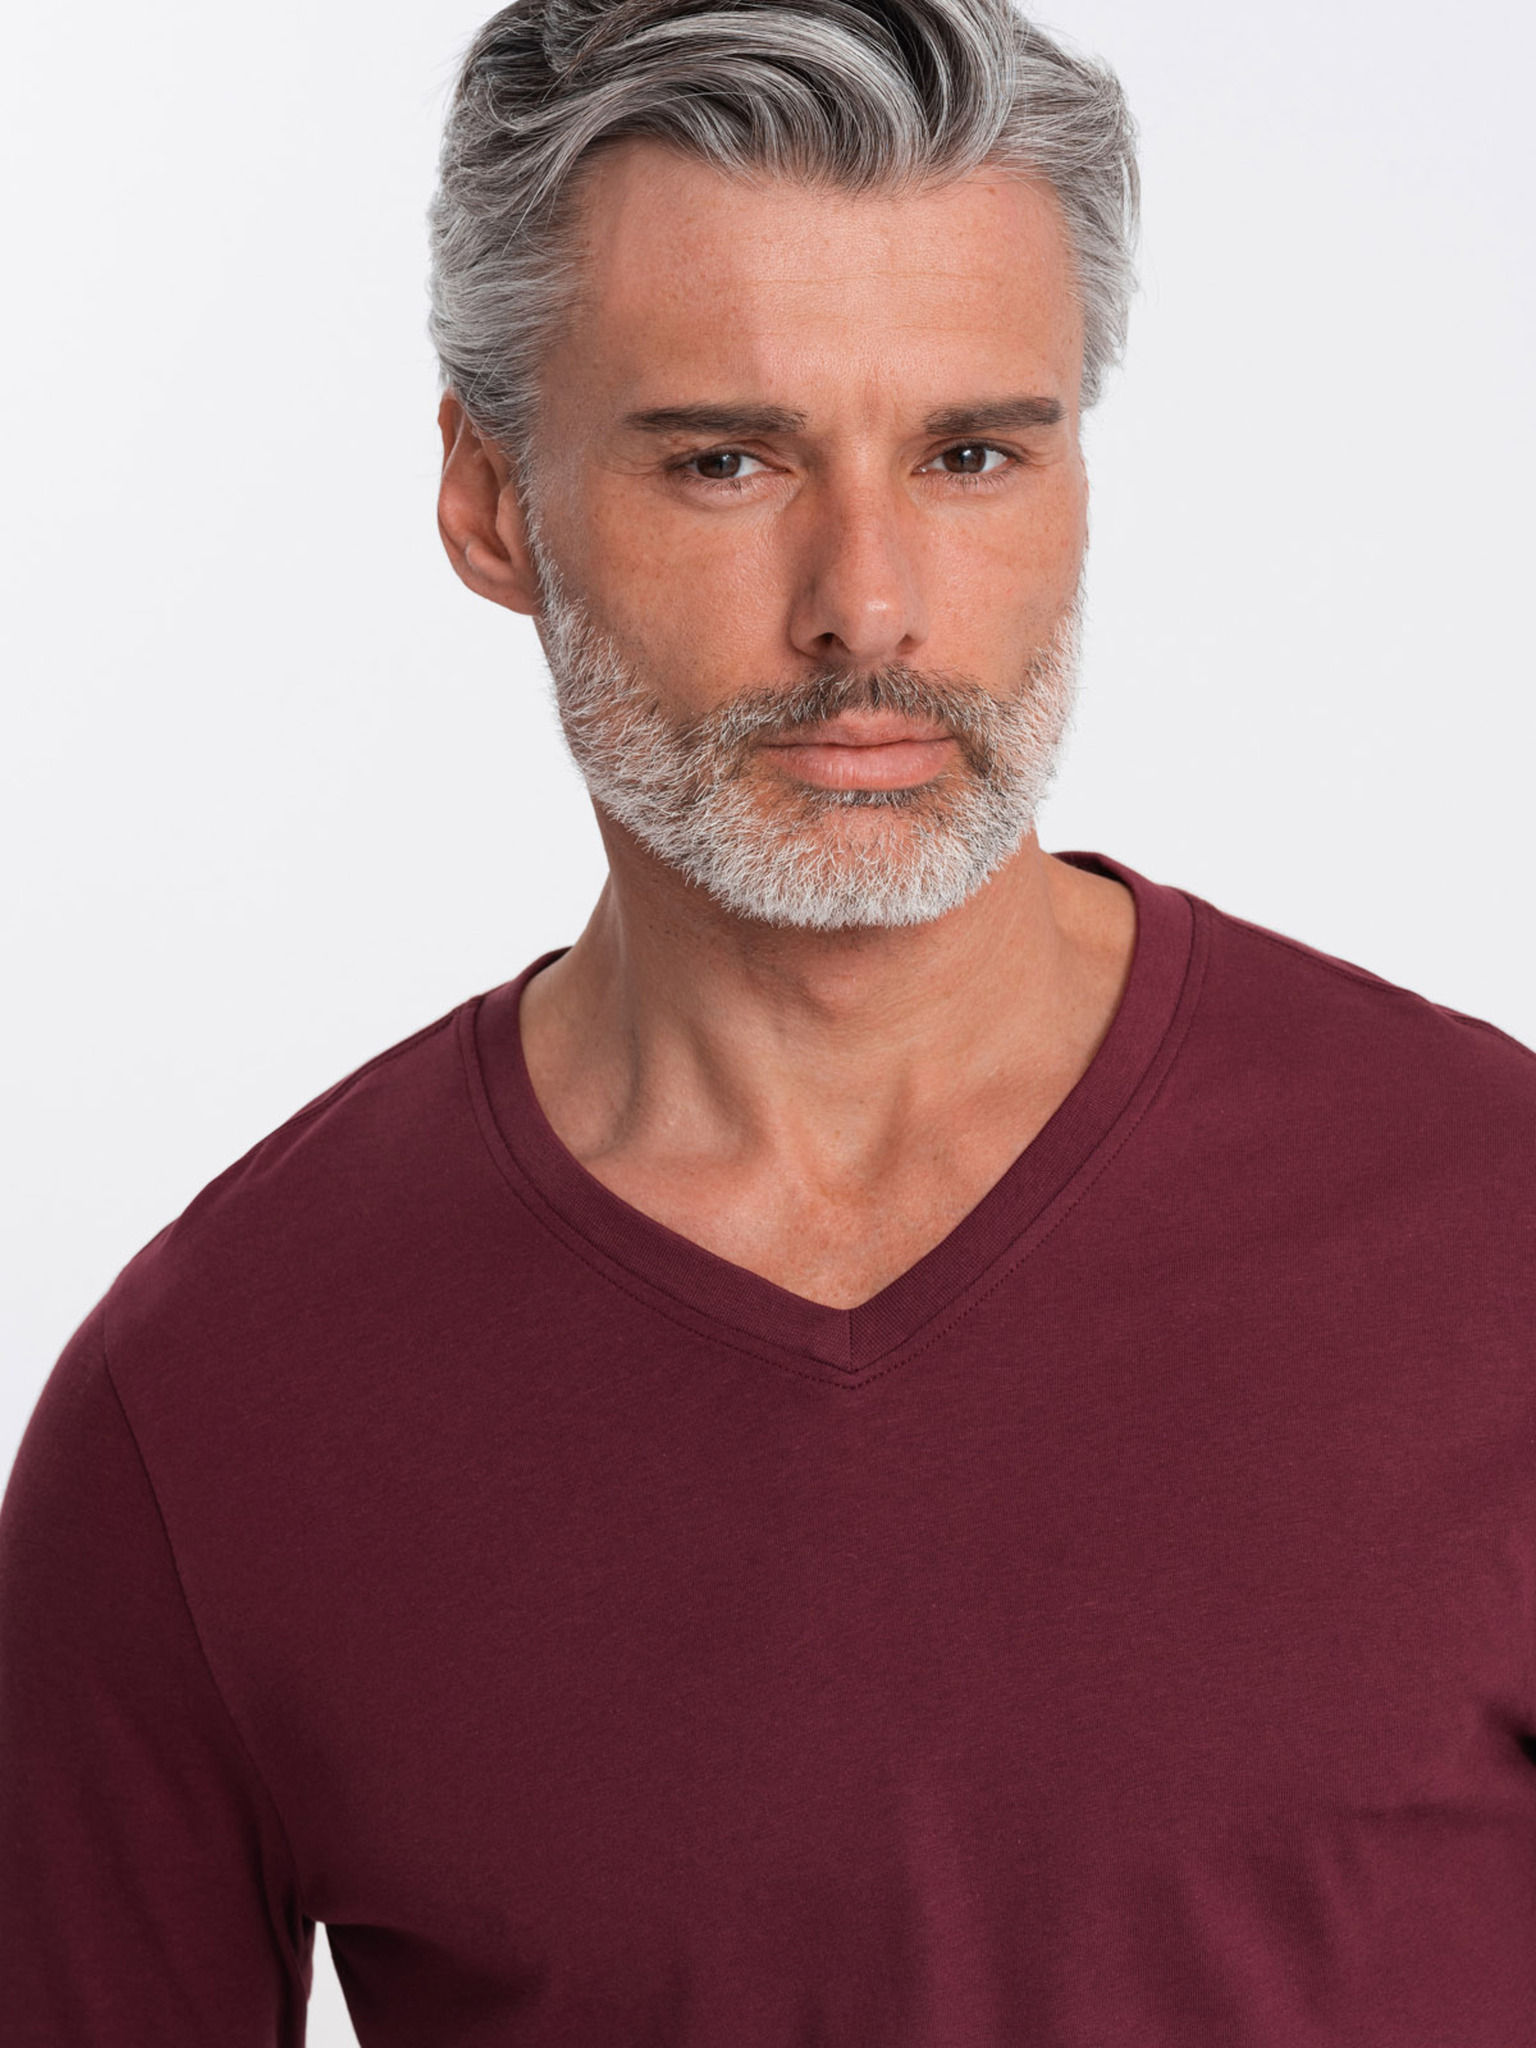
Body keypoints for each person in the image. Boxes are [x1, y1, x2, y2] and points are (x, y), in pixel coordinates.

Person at [4, 0, 1535, 2038]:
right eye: (728, 461)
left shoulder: (1496, 1232)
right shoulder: (208, 1407)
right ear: (493, 502)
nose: (870, 607)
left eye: (971, 455)